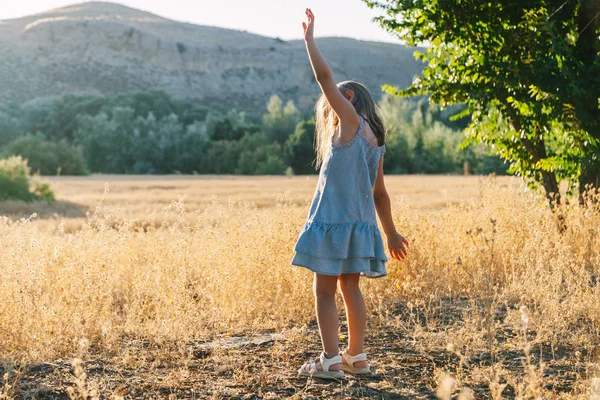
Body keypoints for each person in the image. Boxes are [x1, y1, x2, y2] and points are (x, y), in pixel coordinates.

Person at [292, 8, 409, 379]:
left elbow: (324, 78)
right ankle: (356, 357)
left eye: (335, 101)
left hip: (333, 224)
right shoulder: (376, 142)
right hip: (360, 227)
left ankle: (329, 361)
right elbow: (380, 193)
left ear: (348, 97)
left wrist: (310, 41)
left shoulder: (351, 122)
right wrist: (390, 232)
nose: (330, 107)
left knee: (323, 291)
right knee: (350, 288)